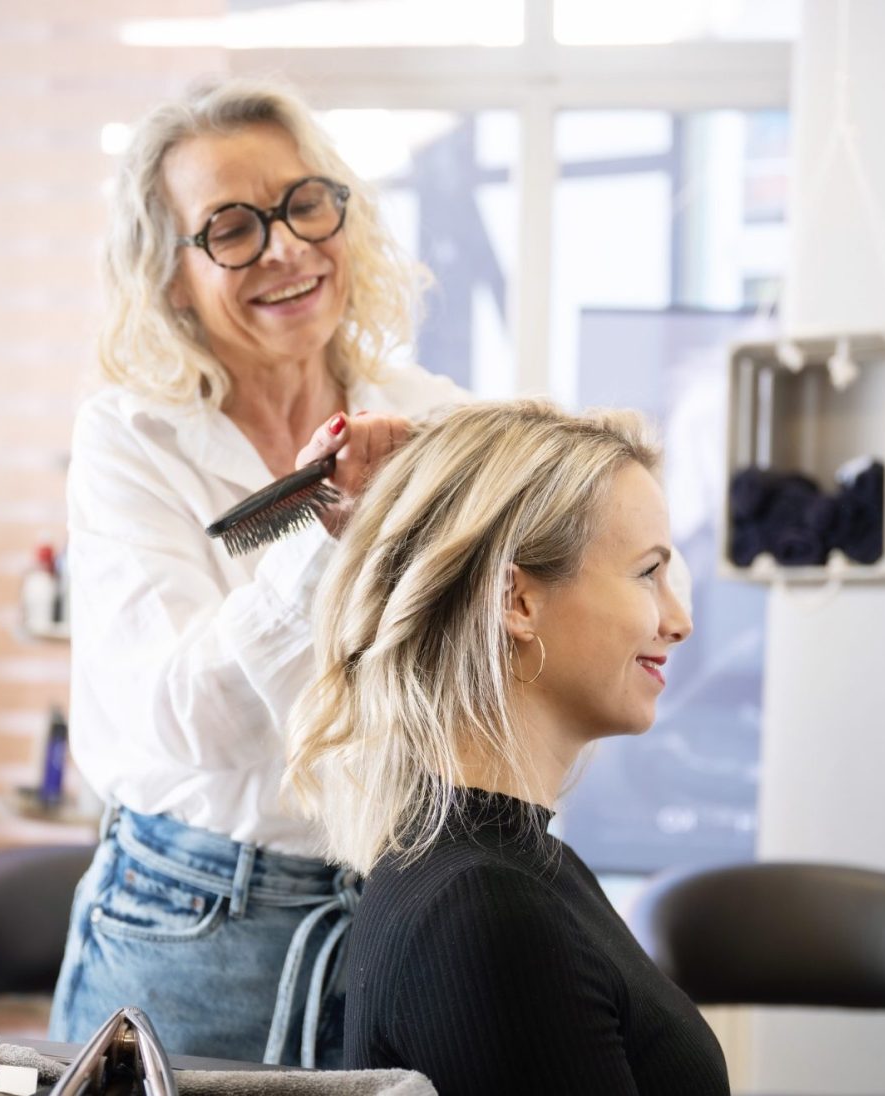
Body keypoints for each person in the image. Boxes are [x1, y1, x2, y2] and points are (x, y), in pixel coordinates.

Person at [48, 77, 464, 1067]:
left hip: (401, 909)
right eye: (230, 228)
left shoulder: (432, 417)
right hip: (192, 927)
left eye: (303, 203)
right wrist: (329, 536)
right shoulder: (130, 440)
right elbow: (192, 719)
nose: (284, 247)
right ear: (169, 273)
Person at [287, 399, 730, 1095]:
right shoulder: (486, 913)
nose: (678, 621)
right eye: (648, 573)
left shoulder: (523, 869)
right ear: (516, 601)